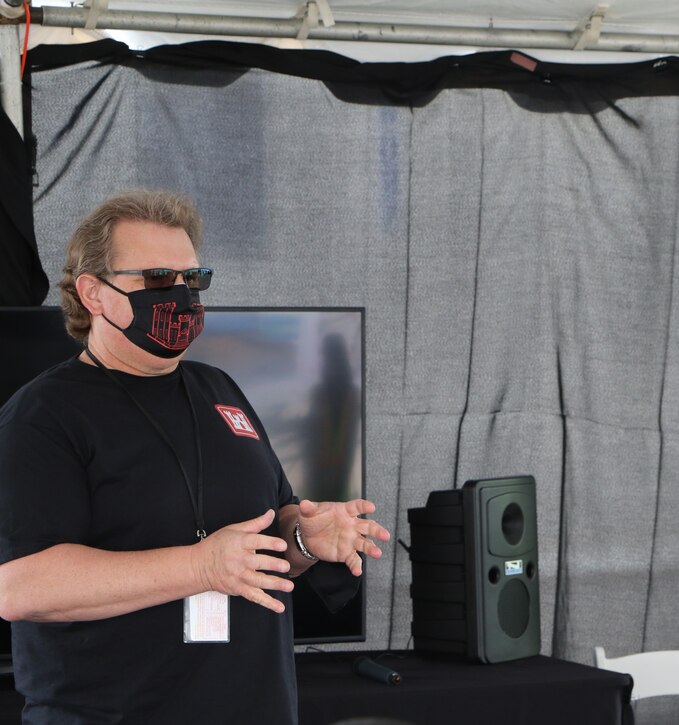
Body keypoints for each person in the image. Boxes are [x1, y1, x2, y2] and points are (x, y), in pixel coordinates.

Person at [0, 190, 390, 724]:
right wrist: (200, 566)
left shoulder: (219, 388)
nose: (181, 295)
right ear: (93, 292)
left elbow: (265, 533)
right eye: (158, 279)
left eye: (193, 279)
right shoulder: (43, 415)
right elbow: (21, 587)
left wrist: (304, 538)